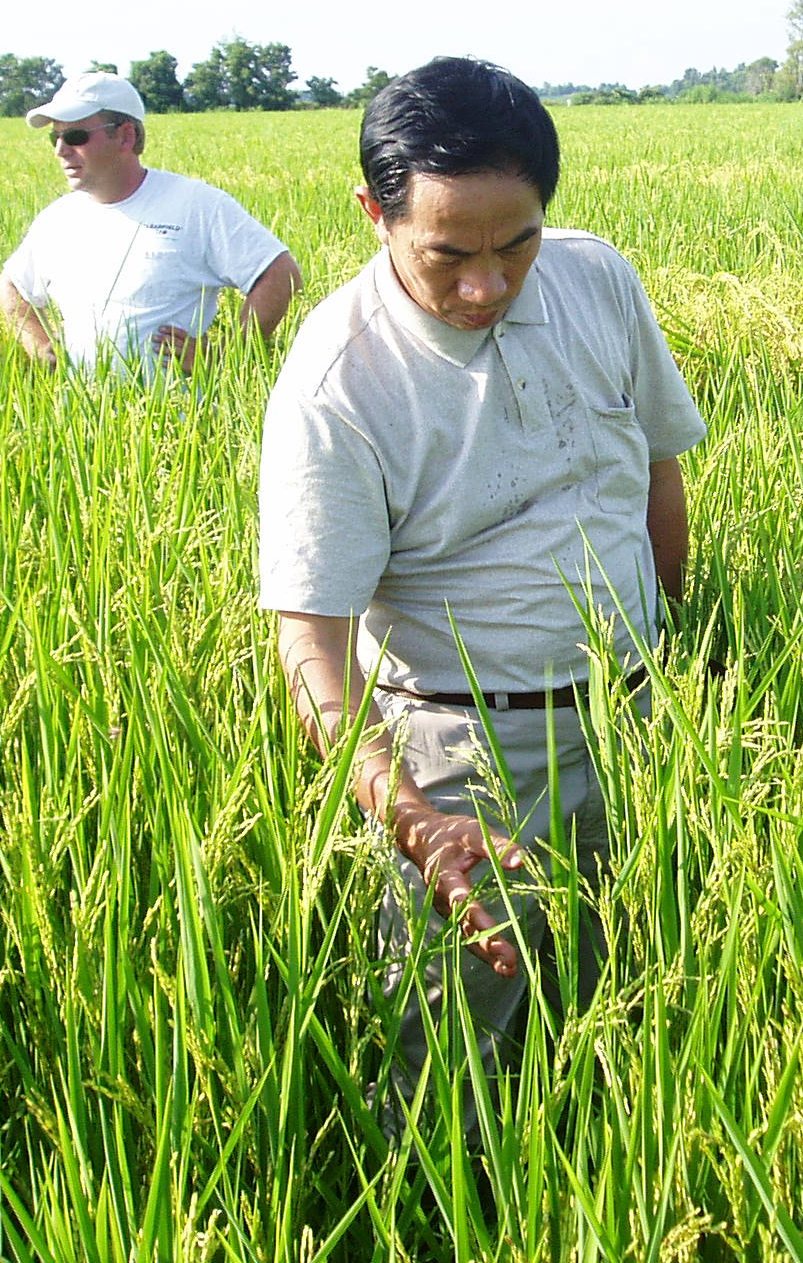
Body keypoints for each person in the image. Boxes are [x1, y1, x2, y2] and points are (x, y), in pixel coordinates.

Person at [258, 56, 705, 1124]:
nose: (486, 286)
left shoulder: (595, 278)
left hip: (632, 714)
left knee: (631, 1009)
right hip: (465, 759)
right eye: (447, 255)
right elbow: (310, 643)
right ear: (372, 213)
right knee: (453, 1061)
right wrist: (410, 817)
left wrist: (677, 650)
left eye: (516, 245)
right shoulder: (337, 383)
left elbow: (653, 467)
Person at [0, 71, 302, 378]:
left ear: (126, 136)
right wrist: (39, 346)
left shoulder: (195, 204)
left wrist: (230, 356)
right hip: (80, 420)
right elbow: (11, 286)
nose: (60, 150)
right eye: (55, 137)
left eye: (76, 137)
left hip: (178, 419)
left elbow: (279, 273)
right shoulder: (57, 220)